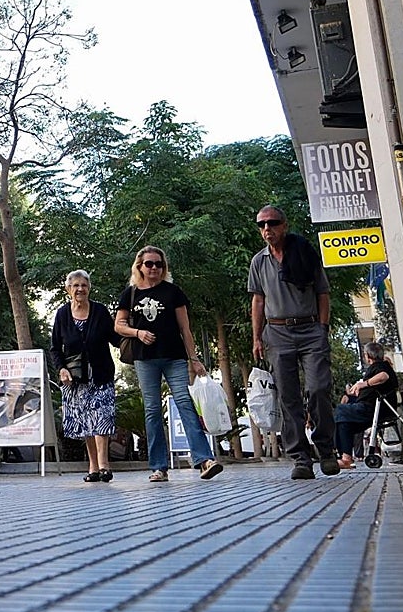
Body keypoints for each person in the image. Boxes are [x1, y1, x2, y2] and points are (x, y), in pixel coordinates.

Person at [114, 246, 223, 483]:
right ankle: (159, 467)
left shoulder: (173, 292)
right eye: (149, 264)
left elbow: (185, 329)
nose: (154, 268)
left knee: (185, 403)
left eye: (159, 264)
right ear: (140, 266)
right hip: (145, 359)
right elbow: (118, 325)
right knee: (152, 410)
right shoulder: (130, 293)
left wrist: (194, 359)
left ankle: (205, 459)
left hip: (174, 356)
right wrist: (138, 332)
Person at [249, 205, 341, 479]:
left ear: (284, 225)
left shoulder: (304, 252)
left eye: (273, 223)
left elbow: (323, 292)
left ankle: (326, 450)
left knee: (318, 388)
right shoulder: (259, 261)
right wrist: (257, 337)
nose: (267, 229)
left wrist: (322, 328)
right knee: (288, 397)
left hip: (311, 329)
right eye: (262, 224)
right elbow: (258, 300)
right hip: (277, 333)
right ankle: (300, 457)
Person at [50, 270, 120, 483]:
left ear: (89, 288)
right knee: (86, 423)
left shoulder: (100, 311)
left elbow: (115, 339)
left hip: (101, 374)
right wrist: (61, 368)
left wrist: (131, 330)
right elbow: (55, 348)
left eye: (84, 285)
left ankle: (104, 465)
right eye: (76, 286)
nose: (80, 289)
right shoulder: (62, 314)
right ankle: (93, 467)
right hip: (74, 378)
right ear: (68, 289)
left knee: (102, 418)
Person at [335, 341, 399, 468]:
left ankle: (332, 451)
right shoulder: (381, 366)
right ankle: (345, 458)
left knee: (340, 410)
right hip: (370, 408)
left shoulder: (381, 366)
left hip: (373, 409)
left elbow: (383, 376)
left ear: (367, 356)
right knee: (344, 424)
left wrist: (363, 384)